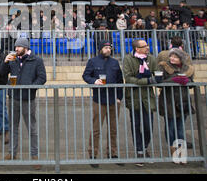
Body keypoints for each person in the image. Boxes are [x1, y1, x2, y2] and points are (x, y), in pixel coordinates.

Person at [0, 38, 47, 170]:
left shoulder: (36, 60)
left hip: (28, 98)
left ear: (25, 47)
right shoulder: (13, 59)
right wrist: (4, 62)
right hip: (13, 97)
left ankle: (34, 156)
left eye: (18, 47)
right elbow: (1, 74)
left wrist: (32, 87)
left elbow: (42, 78)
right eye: (15, 47)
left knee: (32, 128)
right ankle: (12, 153)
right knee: (13, 126)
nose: (16, 49)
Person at [82, 40, 123, 168]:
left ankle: (113, 153)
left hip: (113, 100)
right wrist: (94, 81)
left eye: (109, 47)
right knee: (96, 129)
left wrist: (119, 98)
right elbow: (85, 76)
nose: (108, 49)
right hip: (99, 100)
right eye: (105, 47)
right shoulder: (93, 61)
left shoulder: (115, 62)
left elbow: (120, 81)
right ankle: (93, 154)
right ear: (100, 49)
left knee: (113, 129)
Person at [122, 39, 158, 167]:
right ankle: (139, 151)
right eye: (145, 46)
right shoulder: (128, 59)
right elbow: (129, 78)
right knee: (136, 124)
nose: (147, 47)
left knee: (148, 125)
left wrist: (156, 78)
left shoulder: (152, 59)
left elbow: (157, 74)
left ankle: (144, 147)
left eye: (147, 45)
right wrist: (148, 81)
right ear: (137, 49)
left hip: (148, 97)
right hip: (134, 97)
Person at [157, 48, 195, 163]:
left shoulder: (187, 68)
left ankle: (181, 152)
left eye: (175, 57)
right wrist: (174, 80)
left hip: (183, 101)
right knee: (170, 127)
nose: (172, 58)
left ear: (181, 59)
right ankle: (173, 150)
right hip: (168, 101)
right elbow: (160, 82)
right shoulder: (163, 66)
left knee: (180, 128)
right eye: (171, 56)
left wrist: (187, 81)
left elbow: (192, 83)